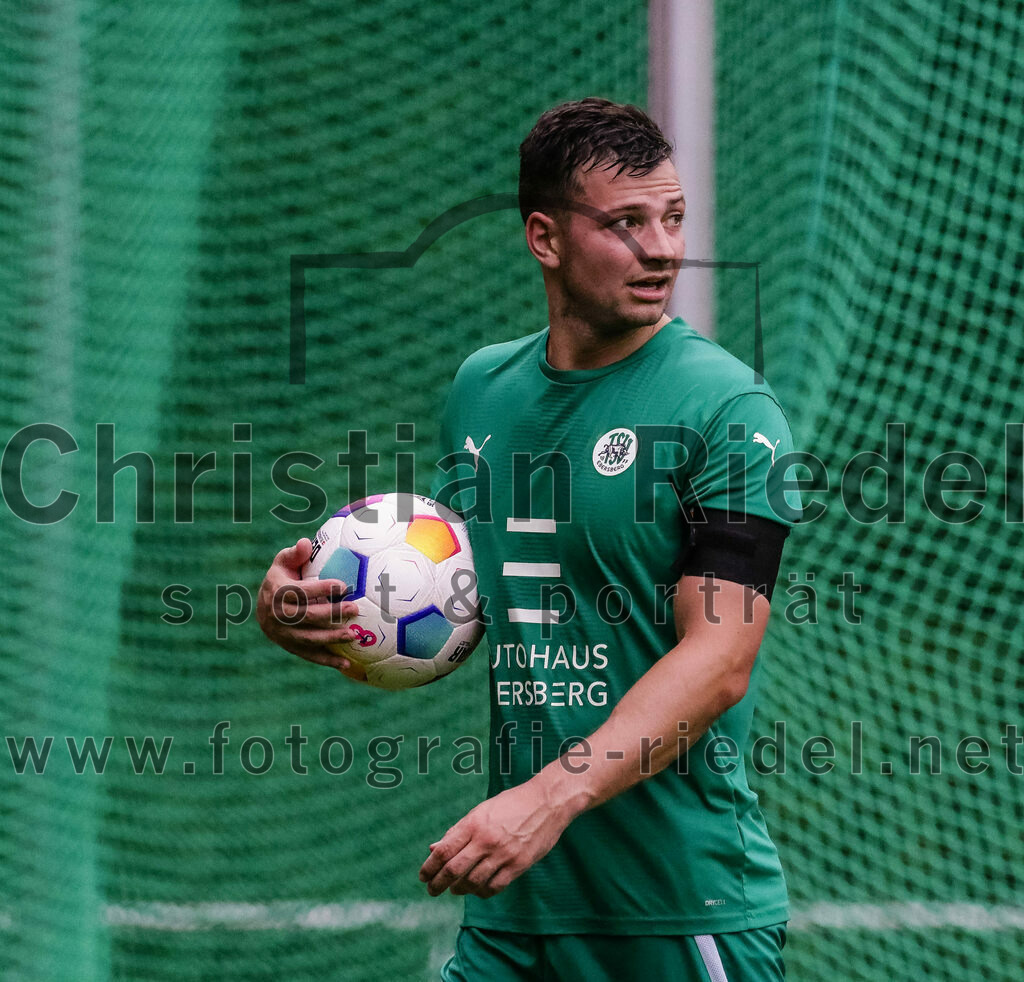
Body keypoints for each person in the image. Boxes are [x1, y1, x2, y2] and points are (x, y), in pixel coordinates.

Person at [257, 98, 800, 982]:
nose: (662, 249)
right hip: (517, 912)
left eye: (673, 219)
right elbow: (449, 602)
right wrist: (300, 611)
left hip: (678, 909)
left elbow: (722, 657)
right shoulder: (482, 391)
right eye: (625, 224)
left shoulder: (729, 410)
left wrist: (546, 800)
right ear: (545, 239)